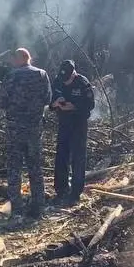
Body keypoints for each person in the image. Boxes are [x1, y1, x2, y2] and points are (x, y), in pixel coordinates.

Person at [0, 48, 51, 216]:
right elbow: (48, 99)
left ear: (18, 59)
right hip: (34, 129)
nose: (11, 62)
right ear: (29, 58)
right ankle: (38, 206)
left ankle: (16, 207)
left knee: (14, 167)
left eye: (13, 58)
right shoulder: (42, 75)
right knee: (35, 167)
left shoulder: (11, 76)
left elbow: (2, 102)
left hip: (15, 129)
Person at [49, 59, 94, 206]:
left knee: (78, 158)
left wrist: (73, 106)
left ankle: (75, 193)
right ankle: (61, 190)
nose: (65, 81)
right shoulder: (58, 81)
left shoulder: (83, 83)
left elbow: (90, 104)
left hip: (78, 125)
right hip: (64, 123)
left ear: (73, 74)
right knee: (61, 156)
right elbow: (50, 100)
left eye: (68, 78)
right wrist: (55, 104)